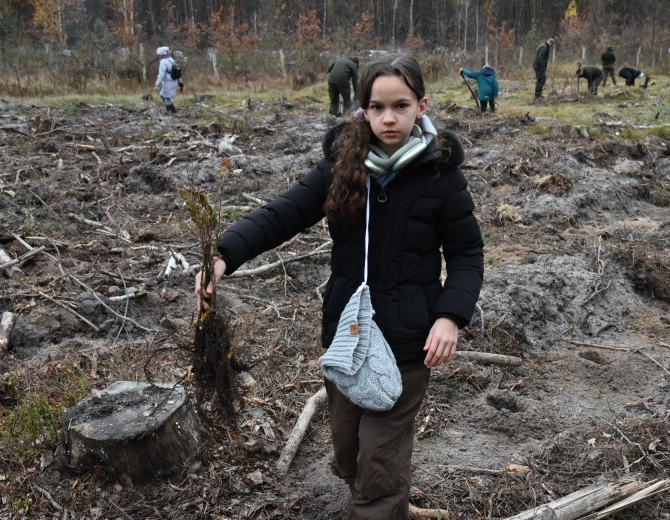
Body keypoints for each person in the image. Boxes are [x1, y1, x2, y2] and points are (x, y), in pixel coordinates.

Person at [195, 54, 483, 519]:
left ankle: (381, 502)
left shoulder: (441, 177)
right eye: (377, 107)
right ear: (362, 109)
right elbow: (282, 214)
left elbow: (468, 256)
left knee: (379, 466)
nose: (389, 118)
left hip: (409, 344)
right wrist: (225, 255)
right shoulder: (342, 166)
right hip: (347, 340)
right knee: (348, 450)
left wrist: (450, 317)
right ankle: (378, 495)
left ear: (422, 106)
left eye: (401, 105)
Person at [154, 46, 183, 113]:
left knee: (165, 97)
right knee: (163, 95)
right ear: (166, 53)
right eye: (168, 51)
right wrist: (181, 83)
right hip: (173, 81)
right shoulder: (171, 59)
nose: (169, 51)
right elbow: (178, 72)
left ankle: (170, 110)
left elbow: (161, 75)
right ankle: (172, 110)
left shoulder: (163, 61)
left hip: (167, 82)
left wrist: (157, 85)